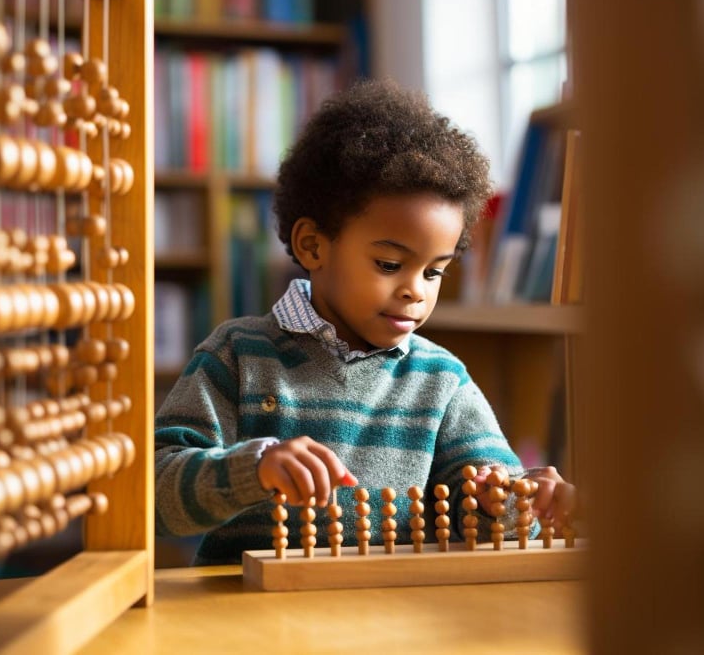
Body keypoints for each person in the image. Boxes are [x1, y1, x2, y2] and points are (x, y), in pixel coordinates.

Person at [155, 79, 576, 565]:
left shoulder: (442, 381)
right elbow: (157, 500)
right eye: (389, 265)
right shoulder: (237, 355)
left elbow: (481, 508)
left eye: (434, 271)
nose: (415, 290)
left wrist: (518, 500)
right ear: (313, 246)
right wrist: (254, 468)